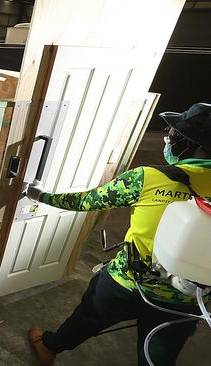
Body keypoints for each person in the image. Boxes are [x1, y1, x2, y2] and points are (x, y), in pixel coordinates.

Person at [27, 102, 211, 366]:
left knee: (88, 318)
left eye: (172, 135)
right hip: (187, 299)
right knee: (156, 358)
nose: (168, 139)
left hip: (126, 282)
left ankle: (49, 347)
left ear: (189, 143)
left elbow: (85, 202)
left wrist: (40, 195)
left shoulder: (148, 178)